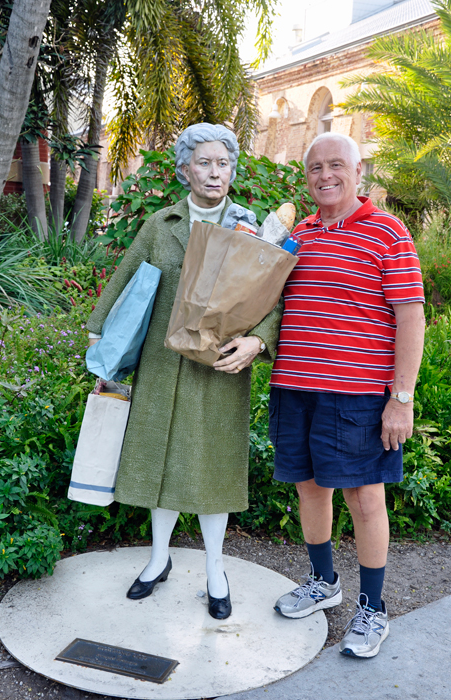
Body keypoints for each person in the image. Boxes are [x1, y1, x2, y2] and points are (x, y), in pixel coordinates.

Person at [87, 123, 282, 619]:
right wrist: (99, 339)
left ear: (232, 170)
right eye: (204, 163)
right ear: (185, 169)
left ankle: (216, 570)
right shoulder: (161, 224)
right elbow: (126, 277)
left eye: (223, 163)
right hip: (162, 360)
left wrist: (259, 339)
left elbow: (273, 294)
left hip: (220, 367)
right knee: (160, 458)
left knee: (211, 464)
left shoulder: (251, 227)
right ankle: (158, 559)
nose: (214, 173)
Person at [270, 132, 425, 657]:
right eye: (315, 168)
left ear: (360, 172)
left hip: (357, 395)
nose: (325, 175)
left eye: (337, 165)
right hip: (295, 387)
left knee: (365, 498)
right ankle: (323, 582)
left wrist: (400, 398)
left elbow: (411, 317)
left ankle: (373, 609)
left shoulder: (389, 233)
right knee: (310, 489)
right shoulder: (300, 234)